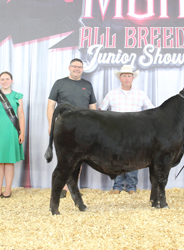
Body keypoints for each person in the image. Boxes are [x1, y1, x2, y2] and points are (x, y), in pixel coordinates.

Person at [99, 65, 154, 194]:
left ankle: (131, 186)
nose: (127, 78)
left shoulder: (140, 94)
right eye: (124, 75)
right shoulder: (111, 94)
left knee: (133, 159)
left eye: (129, 76)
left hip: (135, 132)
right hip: (115, 133)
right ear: (120, 77)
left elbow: (152, 111)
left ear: (133, 78)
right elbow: (101, 112)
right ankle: (117, 186)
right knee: (116, 158)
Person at [47, 58, 97, 198]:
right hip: (64, 127)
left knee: (79, 157)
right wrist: (51, 125)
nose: (77, 69)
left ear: (82, 69)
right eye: (74, 66)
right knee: (64, 157)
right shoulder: (60, 83)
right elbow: (51, 106)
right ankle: (62, 186)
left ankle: (72, 186)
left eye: (80, 67)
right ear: (69, 68)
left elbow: (93, 108)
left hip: (83, 128)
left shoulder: (87, 85)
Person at [0, 71, 25, 198]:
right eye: (2, 79)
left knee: (9, 161)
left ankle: (7, 190)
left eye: (7, 79)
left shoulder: (18, 96)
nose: (5, 81)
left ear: (12, 81)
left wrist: (22, 132)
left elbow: (21, 115)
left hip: (12, 130)